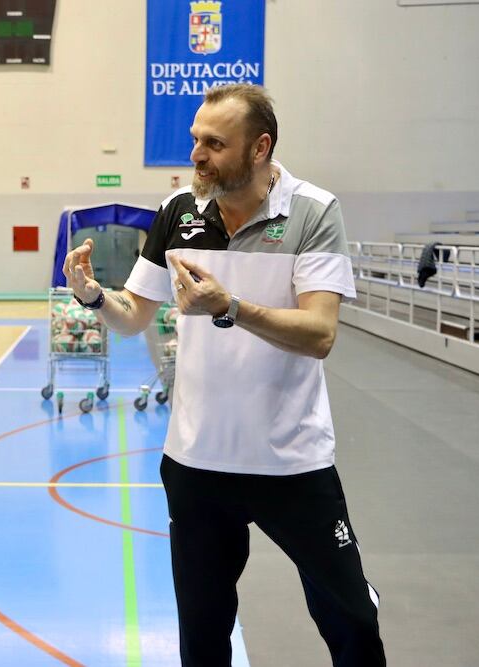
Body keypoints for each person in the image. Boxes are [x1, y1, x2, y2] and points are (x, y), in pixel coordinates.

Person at [63, 84, 385, 667]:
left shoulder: (314, 211)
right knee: (204, 635)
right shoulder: (177, 213)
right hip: (198, 465)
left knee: (354, 624)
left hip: (293, 464)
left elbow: (320, 334)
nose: (197, 156)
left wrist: (230, 308)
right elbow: (134, 317)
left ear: (260, 148)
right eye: (195, 140)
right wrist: (92, 297)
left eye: (215, 143)